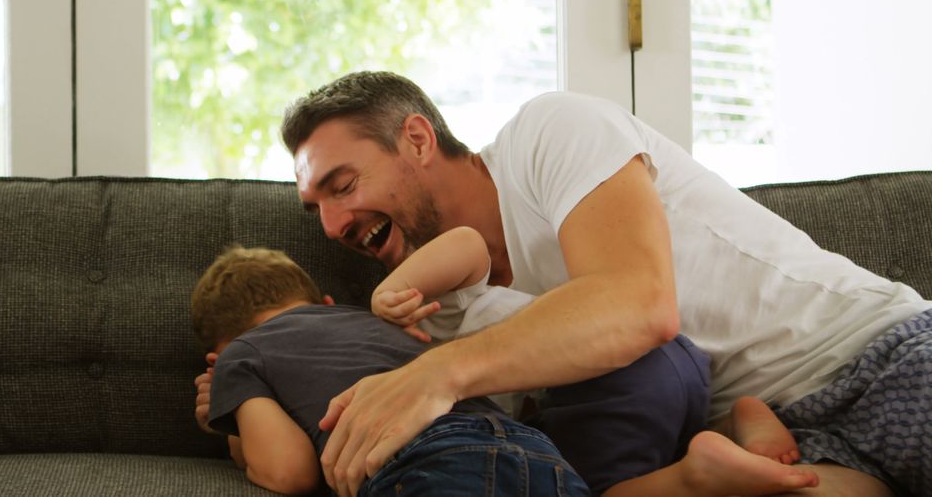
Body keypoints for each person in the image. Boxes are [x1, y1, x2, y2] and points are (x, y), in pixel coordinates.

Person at [269, 70, 930, 496]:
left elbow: (639, 304)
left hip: (875, 356)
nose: (330, 225)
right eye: (315, 209)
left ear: (416, 139)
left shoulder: (548, 133)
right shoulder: (442, 307)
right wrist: (255, 384)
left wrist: (436, 375)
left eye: (343, 186)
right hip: (778, 447)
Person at [192, 245, 819, 497]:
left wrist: (232, 420)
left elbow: (287, 471)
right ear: (325, 302)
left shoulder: (246, 359)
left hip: (429, 465)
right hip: (530, 442)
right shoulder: (373, 320)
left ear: (222, 351)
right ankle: (693, 476)